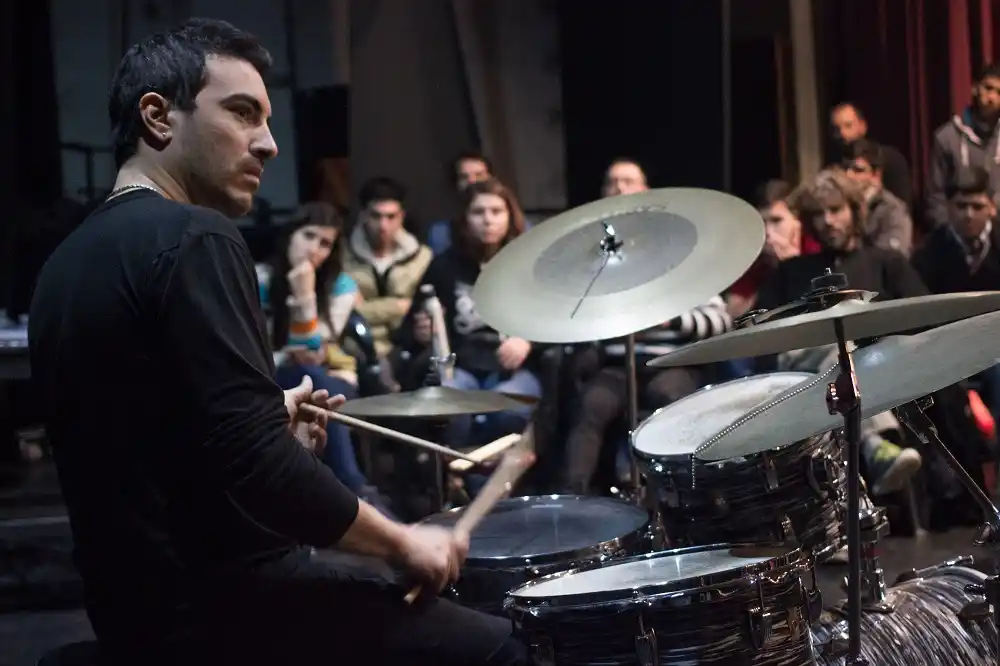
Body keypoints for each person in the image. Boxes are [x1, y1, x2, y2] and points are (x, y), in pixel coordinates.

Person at [27, 19, 524, 666]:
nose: (269, 144)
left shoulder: (62, 265)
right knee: (502, 647)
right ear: (158, 117)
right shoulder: (197, 236)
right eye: (242, 114)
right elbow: (258, 469)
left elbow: (149, 455)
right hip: (226, 612)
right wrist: (402, 543)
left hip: (131, 615)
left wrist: (268, 425)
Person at [259, 201, 392, 512]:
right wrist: (286, 354)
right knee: (310, 380)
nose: (314, 249)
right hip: (273, 377)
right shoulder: (259, 277)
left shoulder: (341, 286)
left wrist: (305, 293)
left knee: (317, 382)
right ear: (290, 235)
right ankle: (354, 491)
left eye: (325, 243)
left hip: (332, 377)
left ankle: (350, 489)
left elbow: (310, 355)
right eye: (308, 236)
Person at [394, 178, 540, 448]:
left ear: (510, 217)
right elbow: (406, 332)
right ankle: (457, 468)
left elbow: (559, 323)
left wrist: (527, 340)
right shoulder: (444, 266)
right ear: (464, 219)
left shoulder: (527, 264)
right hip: (461, 367)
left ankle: (490, 471)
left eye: (496, 211)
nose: (488, 220)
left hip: (515, 370)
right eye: (478, 212)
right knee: (448, 406)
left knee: (507, 410)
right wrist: (420, 332)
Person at [342, 177, 432, 360]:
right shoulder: (342, 255)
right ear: (363, 215)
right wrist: (400, 306)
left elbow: (423, 313)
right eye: (376, 216)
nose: (383, 226)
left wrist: (366, 308)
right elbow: (344, 314)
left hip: (408, 350)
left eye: (391, 217)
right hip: (355, 349)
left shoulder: (423, 257)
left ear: (402, 216)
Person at [927, 63, 1000, 228]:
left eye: (999, 93)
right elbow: (936, 197)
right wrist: (950, 234)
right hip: (958, 232)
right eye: (988, 88)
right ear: (974, 88)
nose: (992, 98)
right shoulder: (946, 137)